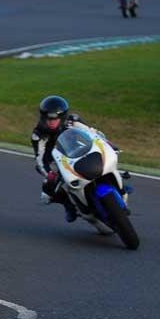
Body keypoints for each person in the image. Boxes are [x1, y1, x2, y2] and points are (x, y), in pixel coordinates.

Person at [30, 95, 103, 223]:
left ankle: (116, 181)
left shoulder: (73, 121)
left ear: (62, 116)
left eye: (55, 119)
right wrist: (50, 174)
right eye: (48, 118)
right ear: (43, 117)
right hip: (56, 163)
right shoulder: (38, 134)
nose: (51, 122)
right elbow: (40, 159)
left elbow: (93, 133)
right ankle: (69, 206)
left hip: (79, 151)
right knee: (49, 188)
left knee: (103, 155)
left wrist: (107, 143)